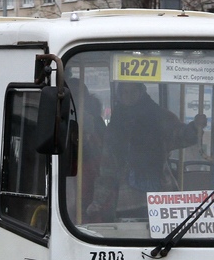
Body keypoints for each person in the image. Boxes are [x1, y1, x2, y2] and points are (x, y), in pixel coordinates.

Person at [86, 82, 206, 219]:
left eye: (133, 91)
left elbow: (180, 135)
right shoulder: (114, 127)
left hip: (162, 195)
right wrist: (98, 202)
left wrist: (196, 128)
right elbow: (108, 169)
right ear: (119, 96)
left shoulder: (159, 117)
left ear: (141, 92)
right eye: (125, 92)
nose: (129, 96)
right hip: (128, 202)